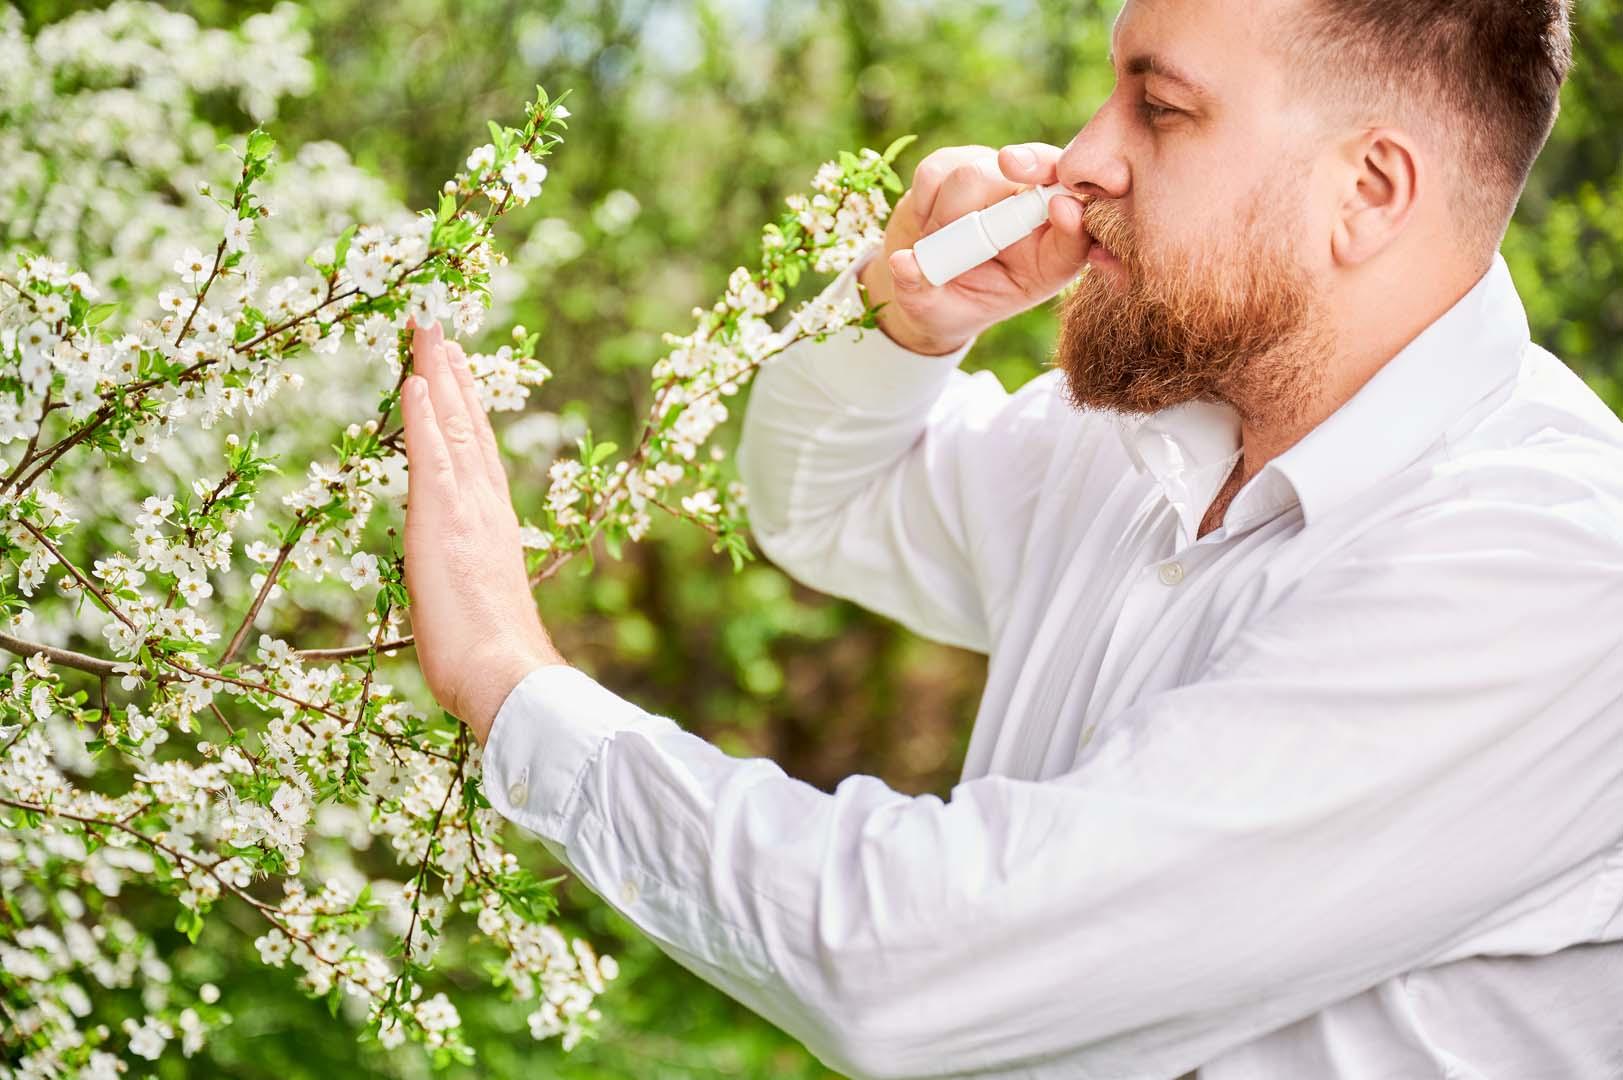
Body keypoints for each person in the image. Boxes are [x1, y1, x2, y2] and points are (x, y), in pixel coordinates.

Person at [398, 0, 1623, 1076]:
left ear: (1369, 191)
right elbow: (826, 505)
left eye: (1163, 109)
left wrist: (516, 687)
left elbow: (913, 965)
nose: (1086, 154)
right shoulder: (1151, 442)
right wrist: (905, 333)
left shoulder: (1549, 576)